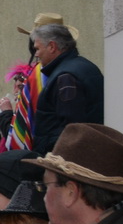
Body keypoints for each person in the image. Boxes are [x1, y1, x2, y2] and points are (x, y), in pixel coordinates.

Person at [28, 21, 105, 155]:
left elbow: (71, 129)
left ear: (52, 46)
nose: (36, 54)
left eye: (37, 49)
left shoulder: (66, 77)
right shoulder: (82, 67)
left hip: (68, 159)